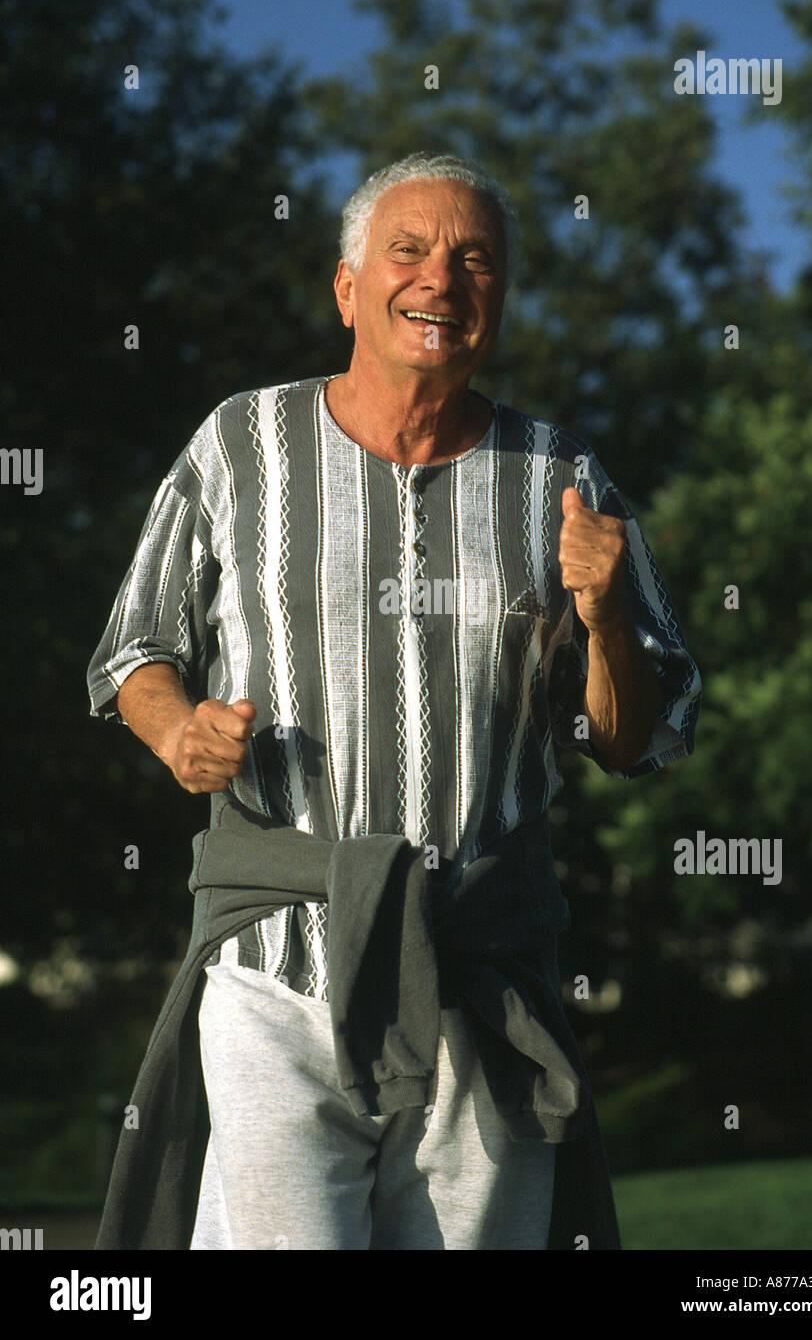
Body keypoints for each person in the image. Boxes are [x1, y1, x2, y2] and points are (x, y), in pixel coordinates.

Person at [87, 151, 701, 1251]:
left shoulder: (558, 474)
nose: (441, 280)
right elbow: (135, 644)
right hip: (279, 965)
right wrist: (174, 725)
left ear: (499, 298)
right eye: (407, 251)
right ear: (347, 287)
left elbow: (635, 736)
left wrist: (607, 615)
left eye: (475, 261)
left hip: (480, 974)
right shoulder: (241, 443)